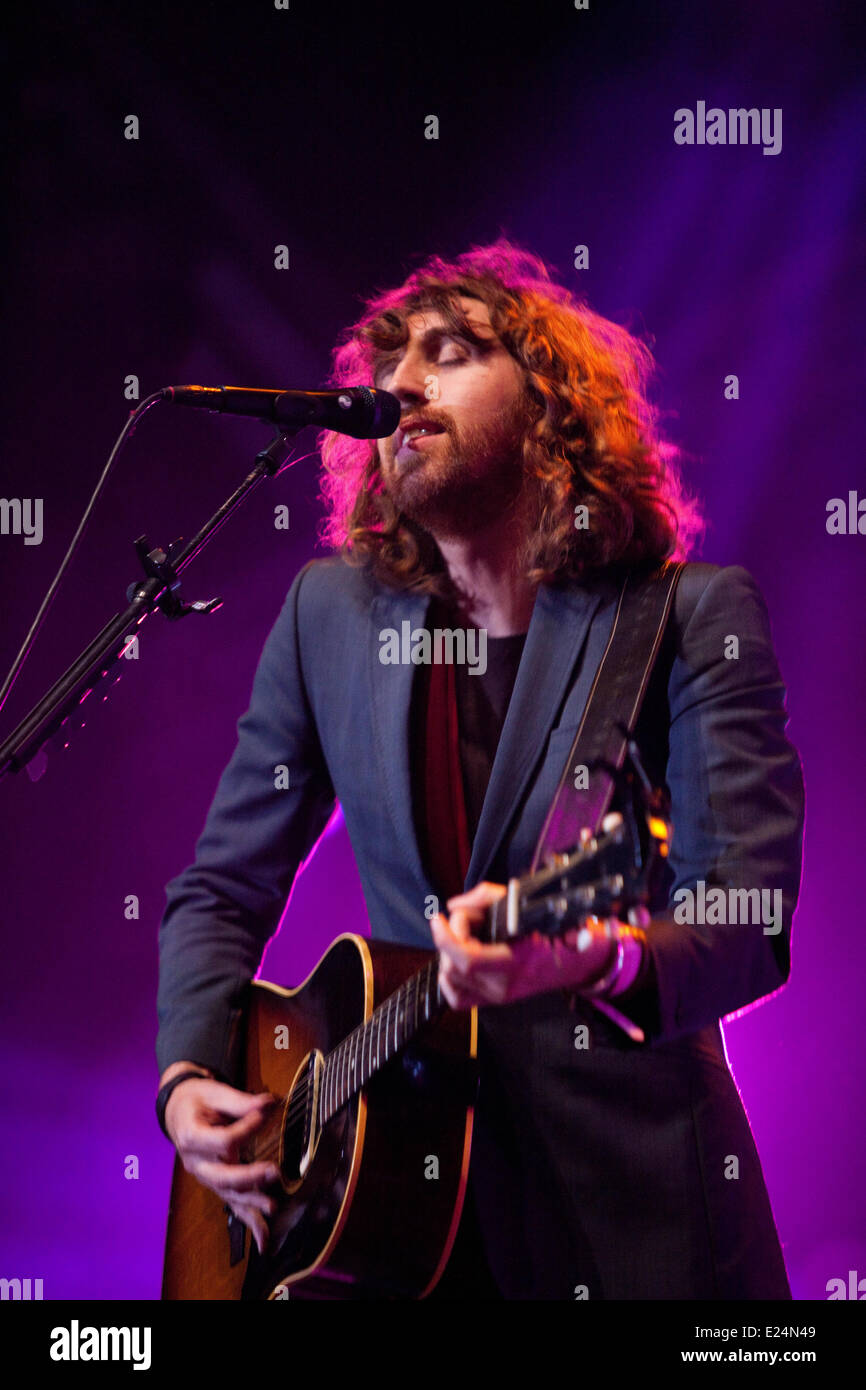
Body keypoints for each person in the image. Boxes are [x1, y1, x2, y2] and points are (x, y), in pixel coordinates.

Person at [155, 240, 805, 1300]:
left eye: (448, 351)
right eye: (390, 364)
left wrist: (592, 957)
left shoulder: (686, 620)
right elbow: (220, 887)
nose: (400, 383)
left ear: (548, 399)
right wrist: (187, 1079)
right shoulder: (328, 618)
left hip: (639, 1222)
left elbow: (748, 918)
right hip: (399, 1236)